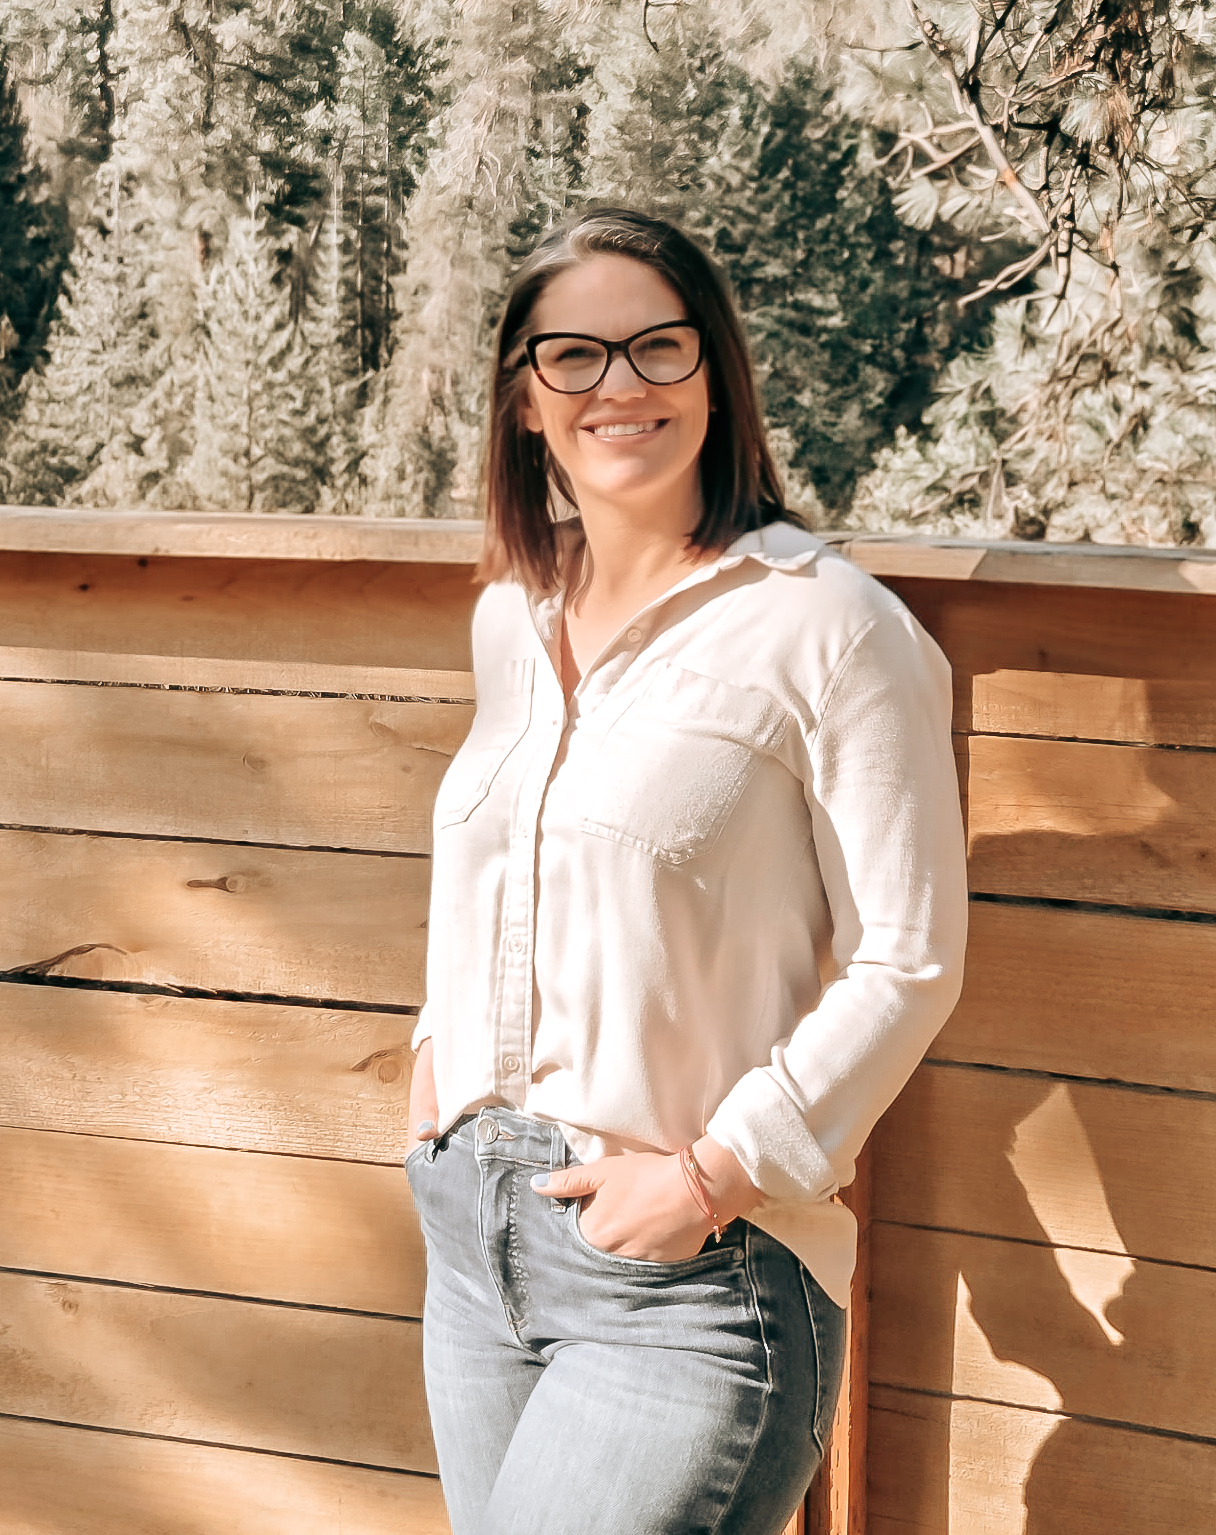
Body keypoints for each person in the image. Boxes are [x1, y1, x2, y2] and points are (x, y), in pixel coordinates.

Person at [404, 207, 968, 1535]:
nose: (621, 388)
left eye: (659, 349)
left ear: (716, 378)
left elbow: (912, 957)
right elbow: (500, 870)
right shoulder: (511, 615)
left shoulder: (828, 627)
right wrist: (441, 1055)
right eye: (574, 358)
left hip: (690, 1276)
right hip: (475, 1252)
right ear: (524, 400)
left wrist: (717, 1173)